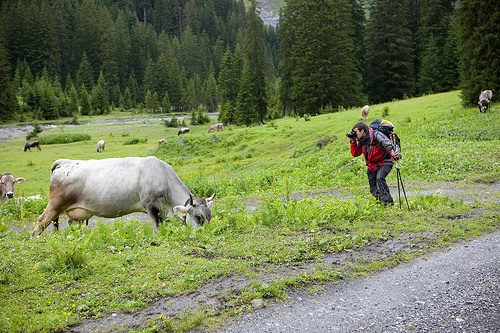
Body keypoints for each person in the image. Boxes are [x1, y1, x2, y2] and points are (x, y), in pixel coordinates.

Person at [348, 121, 401, 206]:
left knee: (380, 178)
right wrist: (353, 142)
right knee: (373, 187)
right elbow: (355, 153)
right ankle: (379, 203)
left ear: (362, 131)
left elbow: (389, 145)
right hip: (372, 165)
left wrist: (395, 153)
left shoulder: (377, 135)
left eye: (356, 132)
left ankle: (388, 203)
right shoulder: (362, 140)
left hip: (385, 161)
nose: (355, 134)